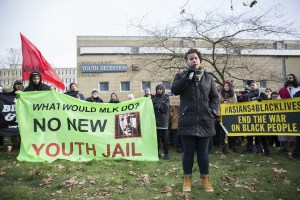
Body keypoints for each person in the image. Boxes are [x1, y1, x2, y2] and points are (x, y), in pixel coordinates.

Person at [171, 48, 219, 192]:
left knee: (203, 153)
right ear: (187, 61)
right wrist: (188, 76)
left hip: (205, 120)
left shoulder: (208, 78)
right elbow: (175, 90)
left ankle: (205, 179)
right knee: (188, 152)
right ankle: (187, 180)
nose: (194, 60)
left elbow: (215, 97)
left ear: (200, 60)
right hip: (188, 119)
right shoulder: (180, 76)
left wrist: (212, 110)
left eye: (196, 58)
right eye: (191, 58)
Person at [238, 81, 270, 155]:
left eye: (252, 85)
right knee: (249, 134)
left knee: (260, 135)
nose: (251, 86)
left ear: (257, 85)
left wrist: (263, 99)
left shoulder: (261, 94)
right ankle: (249, 148)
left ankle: (262, 149)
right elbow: (240, 103)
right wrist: (240, 98)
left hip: (259, 118)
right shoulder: (246, 95)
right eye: (250, 85)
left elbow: (267, 104)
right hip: (249, 118)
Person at [278, 74, 300, 156]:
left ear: (294, 79)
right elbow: (279, 101)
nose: (288, 79)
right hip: (287, 114)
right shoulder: (282, 90)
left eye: (290, 78)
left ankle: (295, 149)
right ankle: (287, 148)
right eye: (287, 78)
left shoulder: (298, 88)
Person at [218, 80, 238, 153]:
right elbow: (218, 102)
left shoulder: (233, 94)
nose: (226, 87)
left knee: (231, 130)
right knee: (222, 131)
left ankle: (231, 145)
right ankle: (223, 145)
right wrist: (223, 102)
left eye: (228, 86)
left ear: (230, 87)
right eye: (225, 85)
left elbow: (235, 103)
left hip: (231, 115)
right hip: (222, 114)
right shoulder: (220, 93)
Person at [152, 84, 170, 160]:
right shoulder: (154, 98)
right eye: (158, 89)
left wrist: (157, 106)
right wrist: (158, 106)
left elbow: (165, 109)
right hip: (155, 121)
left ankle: (166, 154)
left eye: (160, 89)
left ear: (163, 89)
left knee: (164, 139)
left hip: (163, 122)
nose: (159, 90)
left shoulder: (166, 97)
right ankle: (157, 153)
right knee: (156, 140)